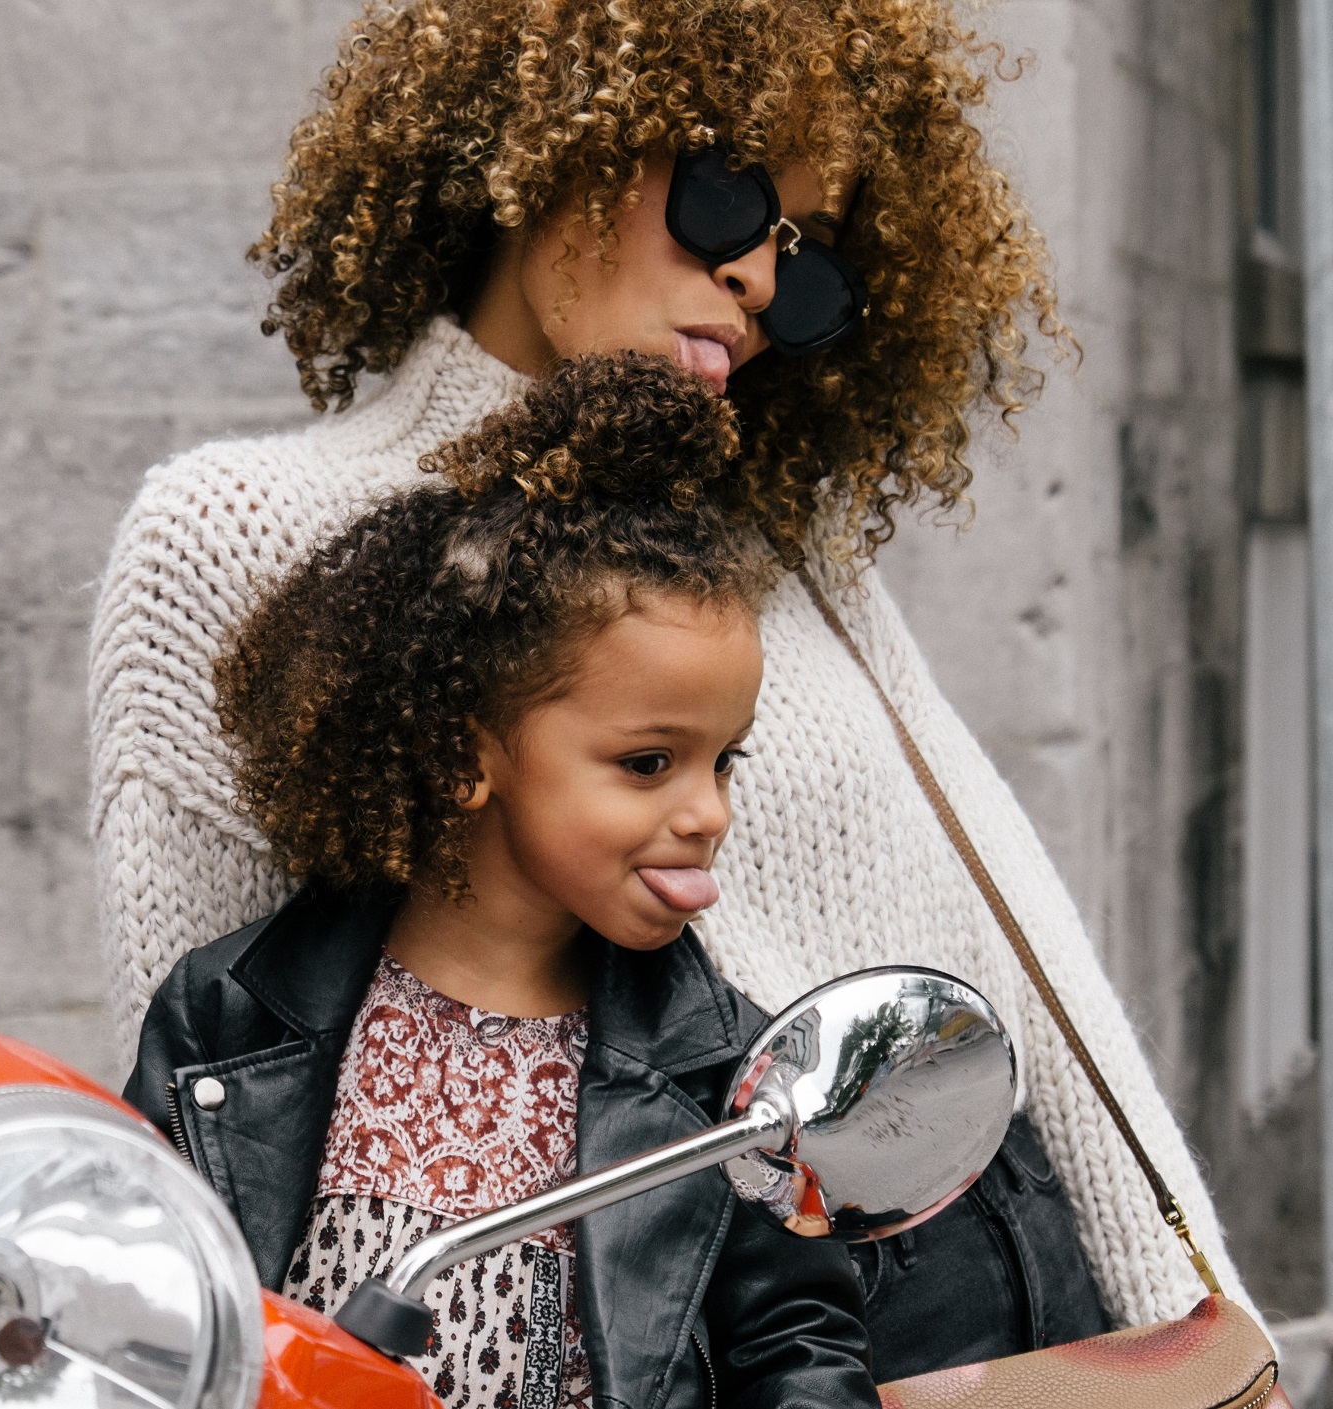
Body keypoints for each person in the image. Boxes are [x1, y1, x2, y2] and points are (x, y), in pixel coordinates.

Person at [89, 0, 1252, 1376]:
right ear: (564, 134)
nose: (762, 278)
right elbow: (226, 1102)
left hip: (979, 1261)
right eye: (728, 198)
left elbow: (1021, 941)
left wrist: (1203, 1303)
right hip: (651, 1315)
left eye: (808, 261)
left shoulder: (781, 553)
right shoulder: (239, 535)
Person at [128, 357, 879, 1409]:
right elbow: (133, 1306)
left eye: (724, 759)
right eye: (647, 762)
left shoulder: (722, 1079)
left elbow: (794, 1344)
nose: (707, 809)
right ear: (458, 754)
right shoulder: (232, 1015)